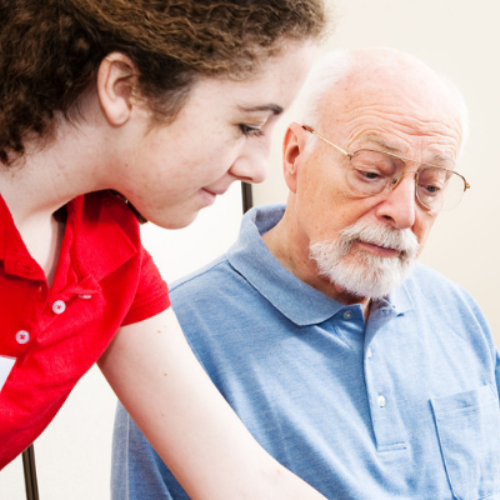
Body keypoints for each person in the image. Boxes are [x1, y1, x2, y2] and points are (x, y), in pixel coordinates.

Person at [113, 48, 500, 500]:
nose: (404, 212)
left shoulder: (454, 310)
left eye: (430, 186)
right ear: (295, 155)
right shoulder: (177, 337)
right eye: (372, 172)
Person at [0, 1, 333, 499]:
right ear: (123, 89)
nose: (259, 169)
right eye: (246, 126)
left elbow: (243, 479)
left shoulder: (111, 257)